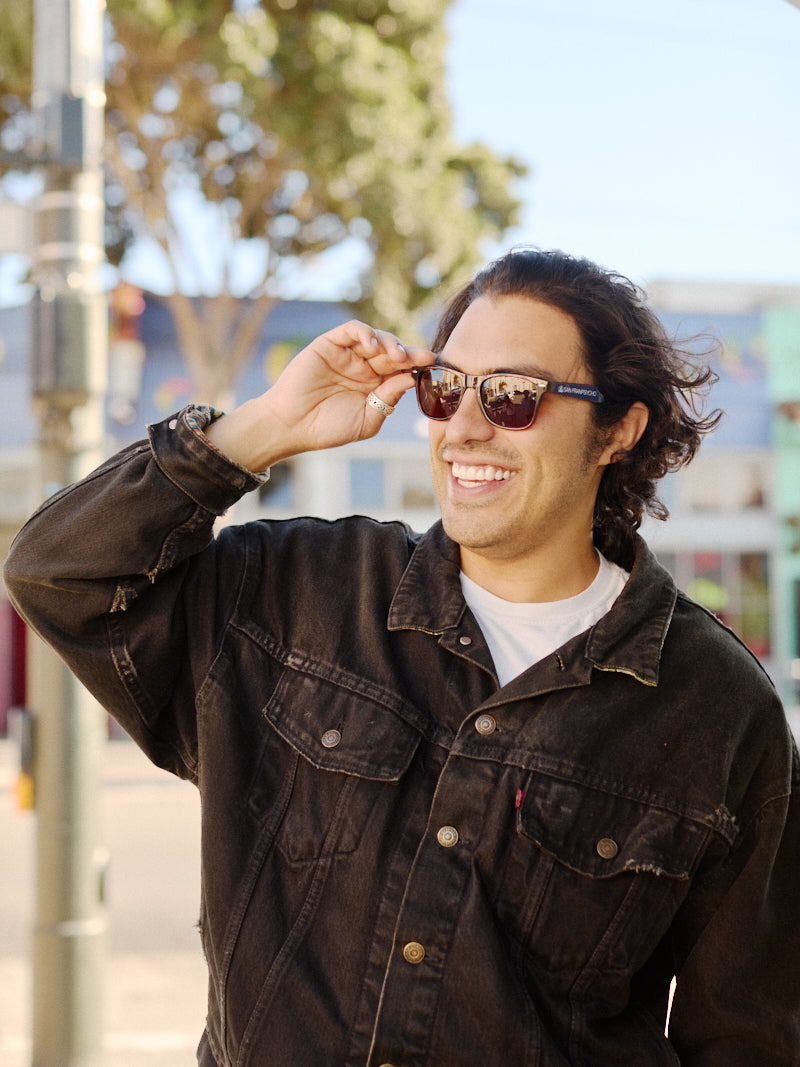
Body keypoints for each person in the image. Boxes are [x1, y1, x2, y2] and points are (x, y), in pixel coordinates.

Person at [5, 248, 799, 1066]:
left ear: (618, 431)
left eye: (515, 397)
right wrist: (263, 428)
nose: (463, 426)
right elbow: (60, 574)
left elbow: (748, 1040)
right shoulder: (298, 590)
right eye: (446, 387)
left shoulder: (719, 707)